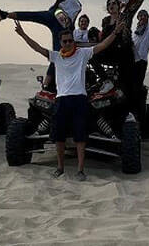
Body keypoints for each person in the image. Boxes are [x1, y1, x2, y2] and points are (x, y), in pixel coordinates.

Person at [13, 19, 124, 181]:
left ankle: (80, 170)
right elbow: (38, 48)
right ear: (60, 43)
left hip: (79, 98)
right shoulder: (56, 56)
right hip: (61, 99)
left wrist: (115, 33)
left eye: (70, 40)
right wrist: (23, 35)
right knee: (58, 136)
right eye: (65, 41)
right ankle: (60, 167)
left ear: (73, 41)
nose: (68, 43)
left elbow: (102, 46)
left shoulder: (82, 54)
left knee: (80, 135)